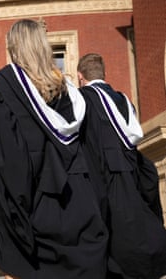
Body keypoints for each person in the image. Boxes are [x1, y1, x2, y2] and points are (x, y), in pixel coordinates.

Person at [0, 19, 108, 278]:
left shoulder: (6, 85)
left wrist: (16, 214)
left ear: (14, 47)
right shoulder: (70, 91)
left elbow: (10, 156)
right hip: (80, 198)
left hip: (37, 199)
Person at [77, 53, 166, 279]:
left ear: (80, 76)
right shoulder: (124, 101)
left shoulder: (81, 99)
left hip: (102, 180)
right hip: (130, 175)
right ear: (104, 74)